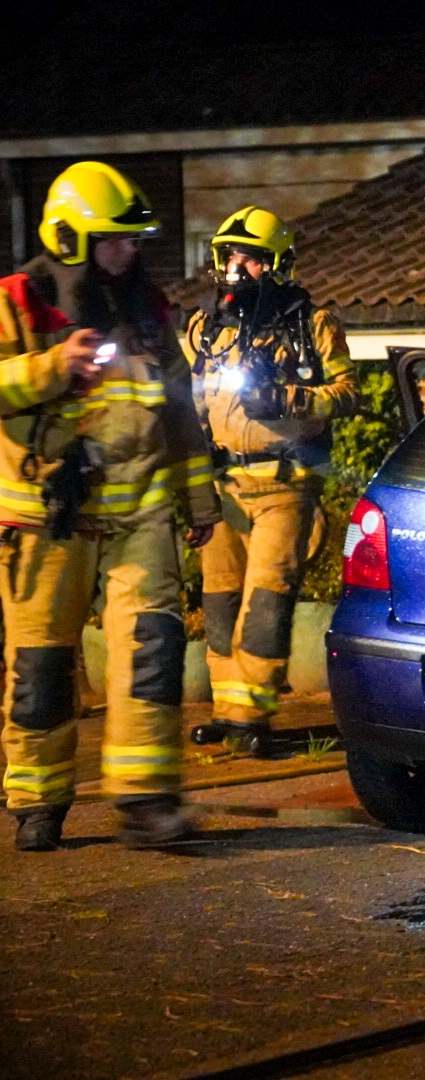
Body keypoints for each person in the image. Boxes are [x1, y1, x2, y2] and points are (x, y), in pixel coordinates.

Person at [2, 161, 221, 850]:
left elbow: (179, 412)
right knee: (41, 667)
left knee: (152, 652)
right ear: (70, 239)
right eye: (114, 239)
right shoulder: (17, 303)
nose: (129, 251)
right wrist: (51, 367)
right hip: (47, 520)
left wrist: (200, 500)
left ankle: (147, 799)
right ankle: (37, 801)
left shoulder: (149, 311)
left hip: (141, 516)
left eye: (133, 240)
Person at [182, 206, 358, 753]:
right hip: (222, 486)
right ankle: (228, 710)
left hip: (285, 484)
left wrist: (287, 399)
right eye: (232, 257)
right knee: (220, 603)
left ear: (278, 264)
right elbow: (184, 406)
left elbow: (347, 394)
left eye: (252, 259)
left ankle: (252, 716)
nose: (238, 268)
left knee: (267, 600)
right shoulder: (204, 328)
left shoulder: (314, 324)